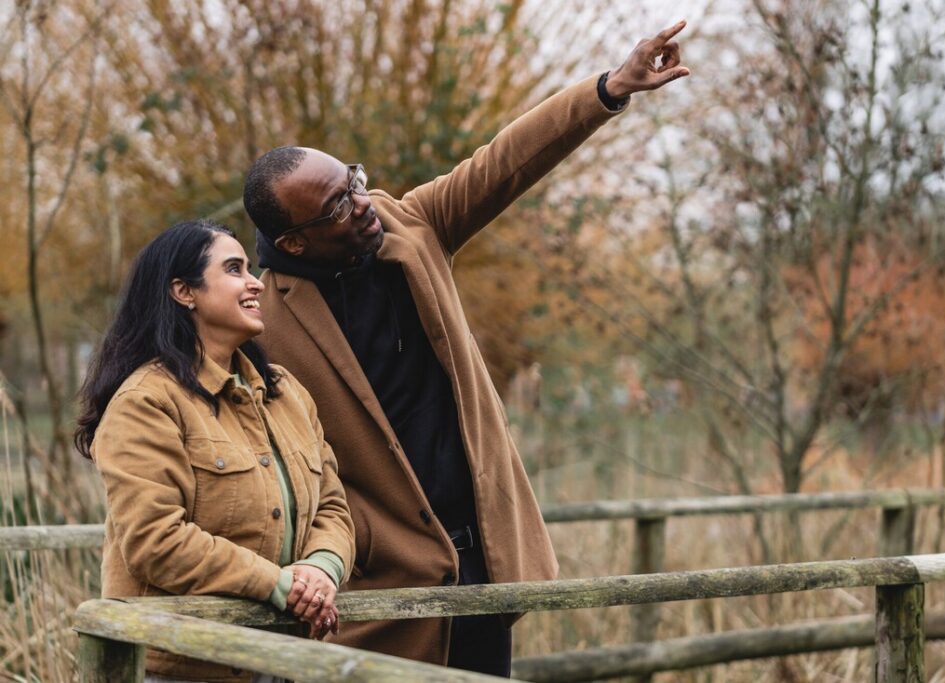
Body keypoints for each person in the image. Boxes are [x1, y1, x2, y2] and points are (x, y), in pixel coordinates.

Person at [242, 19, 691, 676]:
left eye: (355, 181)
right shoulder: (262, 318)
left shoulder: (412, 226)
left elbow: (505, 160)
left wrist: (610, 88)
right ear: (295, 243)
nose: (363, 203)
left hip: (482, 559)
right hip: (379, 585)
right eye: (338, 205)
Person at [75, 220, 356, 683]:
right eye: (233, 269)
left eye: (249, 268)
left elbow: (332, 505)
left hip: (283, 660)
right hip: (180, 665)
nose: (254, 283)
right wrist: (278, 584)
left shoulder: (285, 392)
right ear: (185, 292)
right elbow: (155, 541)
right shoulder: (147, 401)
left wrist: (321, 569)